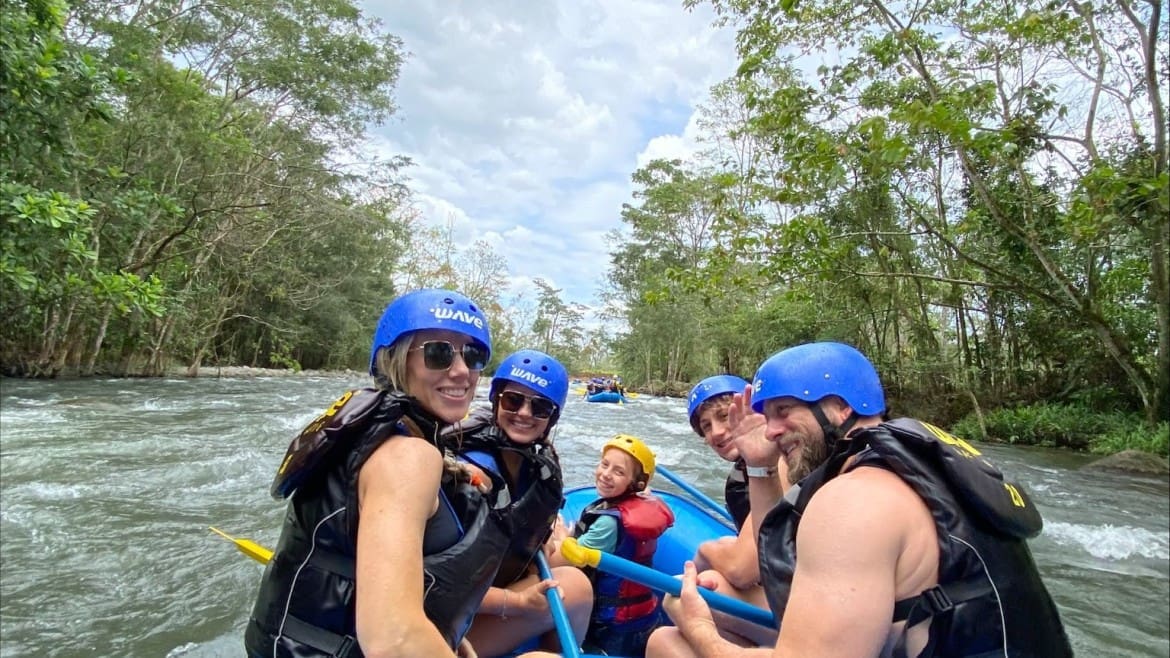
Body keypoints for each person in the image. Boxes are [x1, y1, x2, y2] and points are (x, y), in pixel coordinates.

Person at [649, 341, 1074, 657]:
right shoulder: (914, 466)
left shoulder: (852, 500)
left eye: (783, 412)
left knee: (669, 642)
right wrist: (760, 465)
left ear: (837, 409)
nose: (771, 430)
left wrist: (700, 627)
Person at [245, 289, 508, 658]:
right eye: (438, 353)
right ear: (395, 361)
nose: (462, 371)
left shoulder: (375, 435)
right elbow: (394, 640)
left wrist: (447, 636)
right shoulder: (406, 457)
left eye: (474, 355)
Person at [446, 350, 594, 656]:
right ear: (497, 399)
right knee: (577, 588)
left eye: (539, 407)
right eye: (514, 400)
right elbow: (435, 584)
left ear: (551, 417)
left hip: (482, 590)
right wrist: (515, 604)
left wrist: (537, 542)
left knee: (564, 562)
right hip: (446, 619)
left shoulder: (535, 463)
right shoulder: (467, 476)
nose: (525, 413)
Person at [549, 435, 675, 657]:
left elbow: (567, 559)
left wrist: (560, 536)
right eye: (604, 464)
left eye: (619, 472)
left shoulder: (609, 523)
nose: (606, 474)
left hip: (613, 627)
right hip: (643, 618)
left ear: (636, 484)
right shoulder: (634, 503)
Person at [685, 375, 785, 648]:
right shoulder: (745, 472)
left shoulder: (781, 462)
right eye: (706, 426)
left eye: (724, 416)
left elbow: (743, 569)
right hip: (784, 592)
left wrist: (706, 552)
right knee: (662, 640)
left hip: (808, 613)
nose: (716, 432)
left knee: (687, 590)